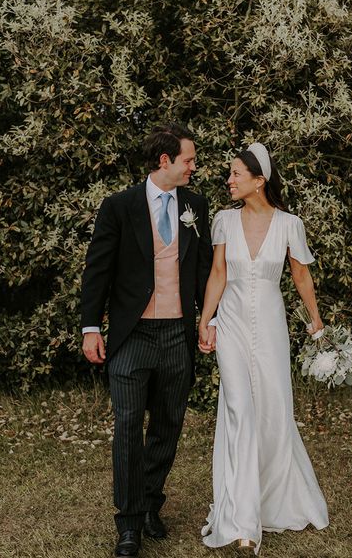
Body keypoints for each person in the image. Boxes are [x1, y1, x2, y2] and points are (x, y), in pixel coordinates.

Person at [80, 123, 214, 557]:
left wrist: (209, 320)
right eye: (189, 160)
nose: (194, 167)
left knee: (167, 425)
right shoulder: (119, 207)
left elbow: (205, 269)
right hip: (132, 336)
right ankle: (129, 523)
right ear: (165, 161)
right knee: (126, 426)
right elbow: (98, 270)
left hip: (177, 332)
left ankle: (151, 502)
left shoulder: (196, 205)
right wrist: (90, 327)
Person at [198, 143, 329, 553]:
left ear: (260, 181)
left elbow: (301, 277)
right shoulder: (223, 220)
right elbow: (218, 273)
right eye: (230, 173)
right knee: (238, 407)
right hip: (232, 325)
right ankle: (240, 518)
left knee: (272, 410)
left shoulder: (290, 224)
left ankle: (272, 498)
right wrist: (206, 319)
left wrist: (316, 320)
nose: (229, 180)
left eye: (237, 174)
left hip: (271, 327)